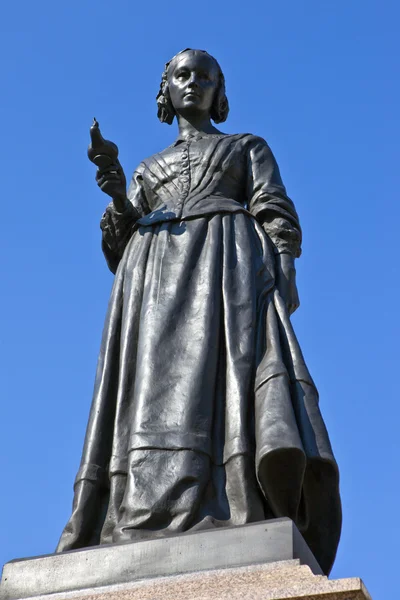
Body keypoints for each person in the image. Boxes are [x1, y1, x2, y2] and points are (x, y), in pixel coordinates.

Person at [57, 49, 341, 575]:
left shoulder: (245, 148)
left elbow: (274, 210)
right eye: (182, 75)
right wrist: (120, 196)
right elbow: (118, 250)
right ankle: (136, 511)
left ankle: (230, 502)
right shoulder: (147, 168)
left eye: (205, 77)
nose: (193, 84)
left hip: (225, 272)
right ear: (165, 89)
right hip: (152, 285)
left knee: (222, 384)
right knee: (147, 397)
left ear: (219, 90)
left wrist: (284, 270)